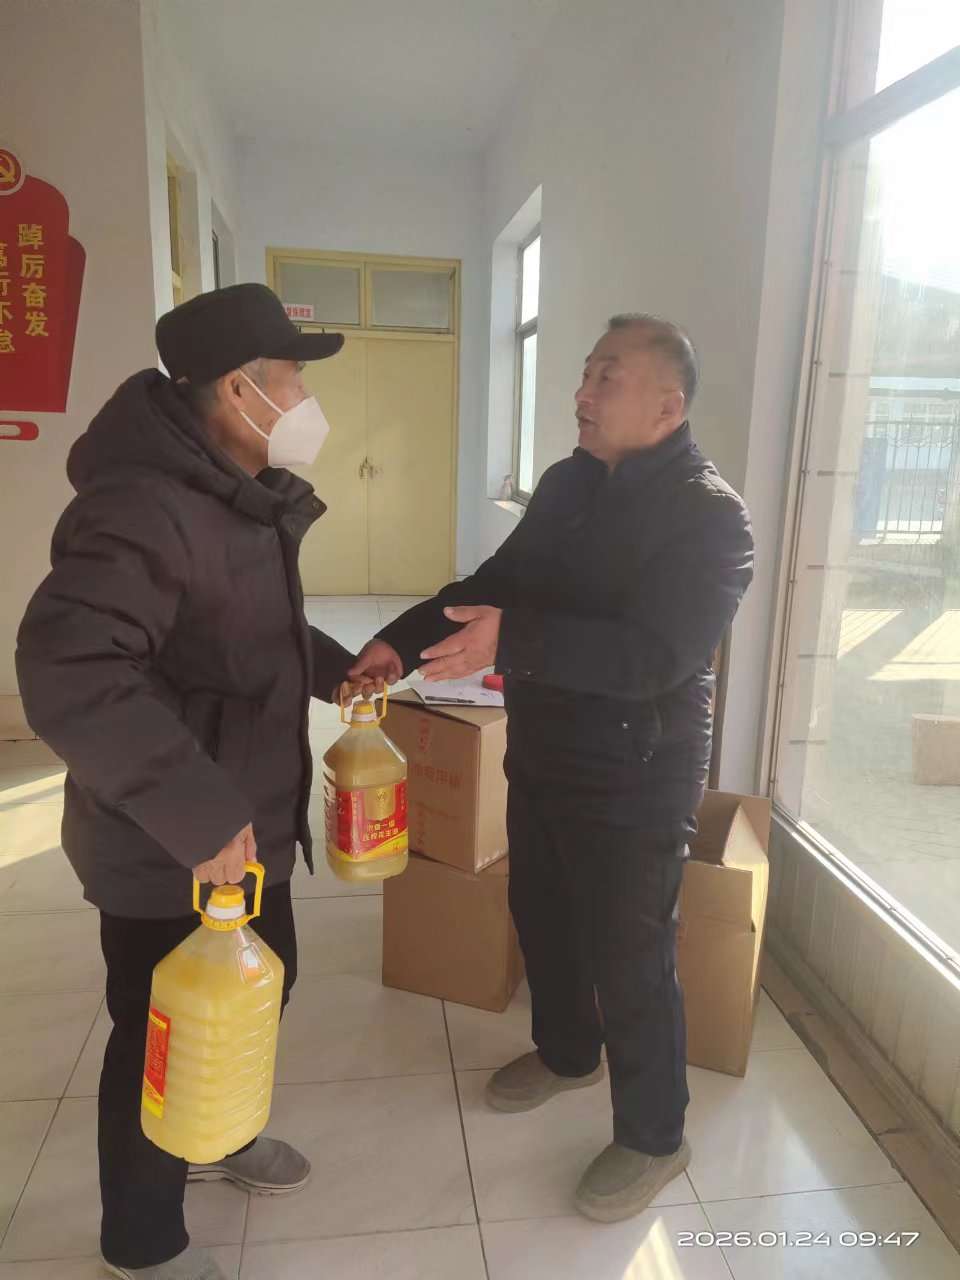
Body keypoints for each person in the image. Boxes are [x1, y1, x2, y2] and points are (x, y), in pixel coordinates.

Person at [351, 314, 754, 1223]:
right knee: (542, 910)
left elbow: (655, 657)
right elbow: (495, 585)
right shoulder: (570, 483)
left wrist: (517, 640)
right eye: (585, 373)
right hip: (547, 743)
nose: (582, 393)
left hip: (639, 766)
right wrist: (399, 642)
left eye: (607, 377)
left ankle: (656, 1136)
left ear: (667, 406)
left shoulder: (710, 518)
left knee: (631, 950)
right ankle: (570, 1053)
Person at [16, 284, 374, 1280]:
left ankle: (214, 1133)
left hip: (241, 829)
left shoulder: (235, 488)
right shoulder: (144, 505)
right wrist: (199, 812)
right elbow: (69, 668)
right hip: (169, 840)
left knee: (263, 982)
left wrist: (338, 666)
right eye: (292, 376)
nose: (305, 399)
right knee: (162, 1034)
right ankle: (143, 1243)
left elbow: (243, 628)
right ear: (236, 389)